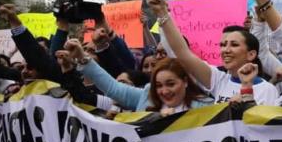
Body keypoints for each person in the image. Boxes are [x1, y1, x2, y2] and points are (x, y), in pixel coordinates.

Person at [146, 0, 278, 105]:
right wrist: (162, 12)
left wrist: (247, 100)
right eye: (223, 45)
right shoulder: (218, 80)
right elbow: (182, 53)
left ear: (251, 54)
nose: (226, 50)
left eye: (234, 45)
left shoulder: (267, 90)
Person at [66, 39, 212, 114]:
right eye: (159, 85)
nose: (164, 91)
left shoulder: (206, 106)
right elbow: (113, 87)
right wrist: (82, 57)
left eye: (171, 84)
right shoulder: (147, 94)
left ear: (185, 82)